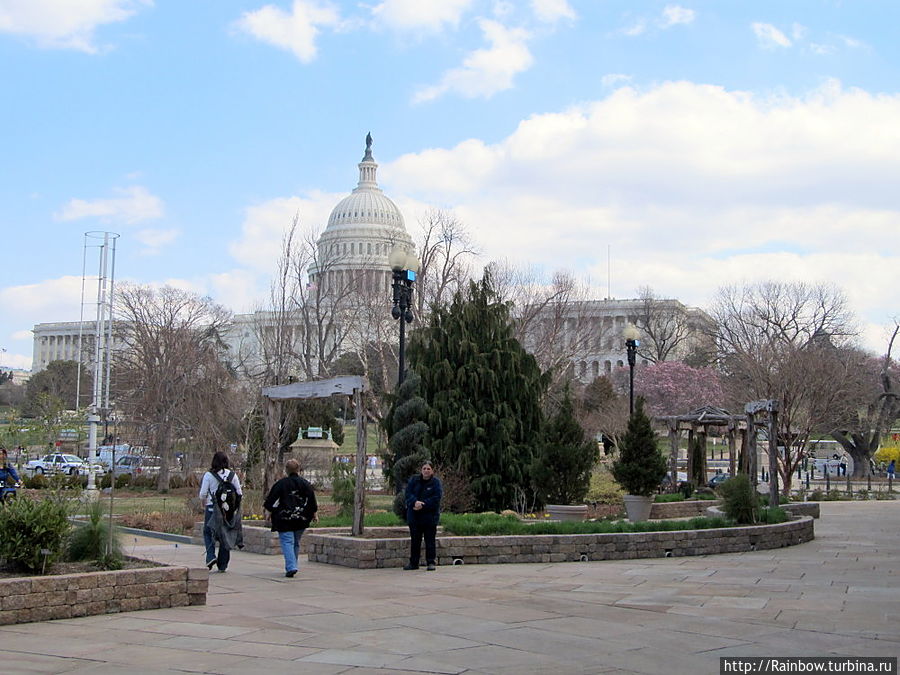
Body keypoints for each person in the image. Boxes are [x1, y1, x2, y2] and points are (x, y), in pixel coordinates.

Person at [264, 458, 318, 578]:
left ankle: (291, 566)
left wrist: (268, 512)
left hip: (284, 519)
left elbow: (271, 500)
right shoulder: (305, 484)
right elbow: (311, 501)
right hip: (301, 518)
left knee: (287, 541)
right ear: (298, 469)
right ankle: (293, 564)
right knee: (295, 542)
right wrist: (314, 513)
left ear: (286, 470)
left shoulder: (281, 484)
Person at [199, 451, 243, 572]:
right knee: (225, 535)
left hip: (212, 509)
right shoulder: (232, 475)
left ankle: (210, 556)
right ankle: (223, 564)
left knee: (208, 532)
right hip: (227, 511)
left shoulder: (208, 475)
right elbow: (239, 493)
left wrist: (204, 504)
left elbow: (202, 494)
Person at [404, 461, 443, 571]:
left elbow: (436, 498)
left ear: (432, 471)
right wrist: (415, 502)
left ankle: (431, 562)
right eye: (424, 468)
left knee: (430, 540)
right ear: (421, 470)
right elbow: (408, 493)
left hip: (429, 517)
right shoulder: (414, 480)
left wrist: (423, 505)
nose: (426, 471)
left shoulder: (436, 483)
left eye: (428, 469)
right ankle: (413, 563)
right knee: (415, 541)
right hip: (414, 516)